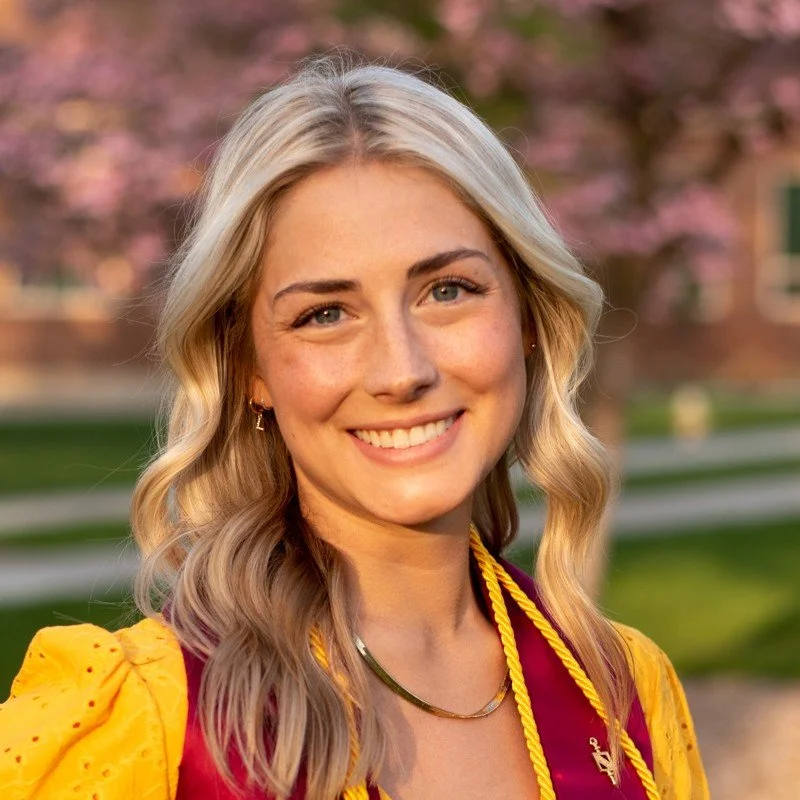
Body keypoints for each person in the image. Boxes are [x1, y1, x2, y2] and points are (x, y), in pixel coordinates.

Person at [0, 56, 708, 800]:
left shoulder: (626, 694)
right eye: (325, 314)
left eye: (448, 290)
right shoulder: (143, 722)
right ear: (250, 369)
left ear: (528, 316)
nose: (401, 371)